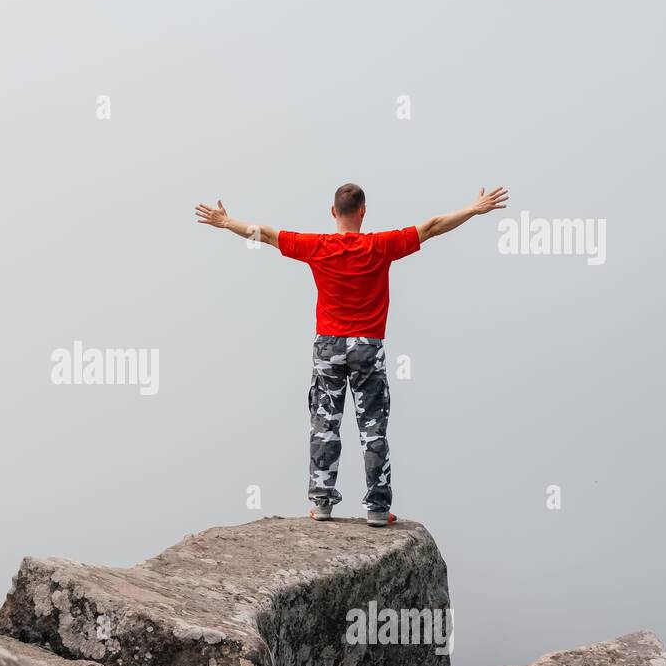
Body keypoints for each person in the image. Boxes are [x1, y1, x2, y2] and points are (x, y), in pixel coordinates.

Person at [194, 183, 509, 526]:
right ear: (363, 211)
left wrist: (227, 223)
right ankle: (376, 508)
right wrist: (473, 209)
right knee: (373, 428)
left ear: (333, 212)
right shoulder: (380, 246)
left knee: (324, 424)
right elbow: (432, 226)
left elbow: (267, 235)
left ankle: (322, 503)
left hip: (329, 345)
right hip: (367, 347)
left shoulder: (316, 246)